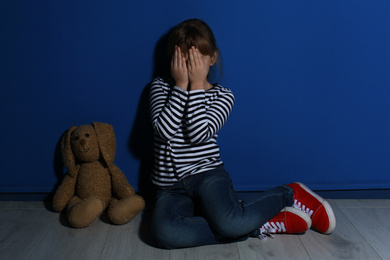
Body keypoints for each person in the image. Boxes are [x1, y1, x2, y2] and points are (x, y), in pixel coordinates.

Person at [149, 18, 336, 249]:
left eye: (197, 60)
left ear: (213, 58)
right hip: (170, 187)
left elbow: (198, 135)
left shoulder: (223, 96)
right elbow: (164, 131)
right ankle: (256, 224)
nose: (190, 67)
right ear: (173, 60)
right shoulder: (161, 87)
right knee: (164, 232)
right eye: (184, 60)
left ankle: (290, 194)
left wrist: (196, 85)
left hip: (208, 175)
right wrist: (180, 86)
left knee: (229, 221)